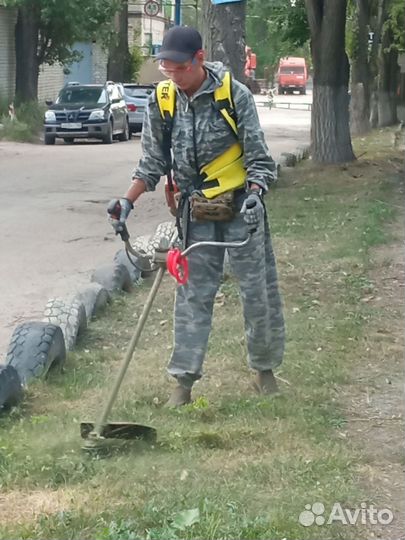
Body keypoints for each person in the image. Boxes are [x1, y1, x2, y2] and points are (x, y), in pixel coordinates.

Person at [108, 26, 285, 407]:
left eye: (179, 68)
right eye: (165, 68)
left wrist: (256, 194)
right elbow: (152, 163)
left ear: (199, 59)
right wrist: (127, 201)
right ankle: (183, 385)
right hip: (196, 213)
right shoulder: (164, 99)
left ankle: (264, 372)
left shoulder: (233, 95)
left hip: (241, 208)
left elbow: (259, 159)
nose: (171, 75)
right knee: (192, 297)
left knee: (258, 293)